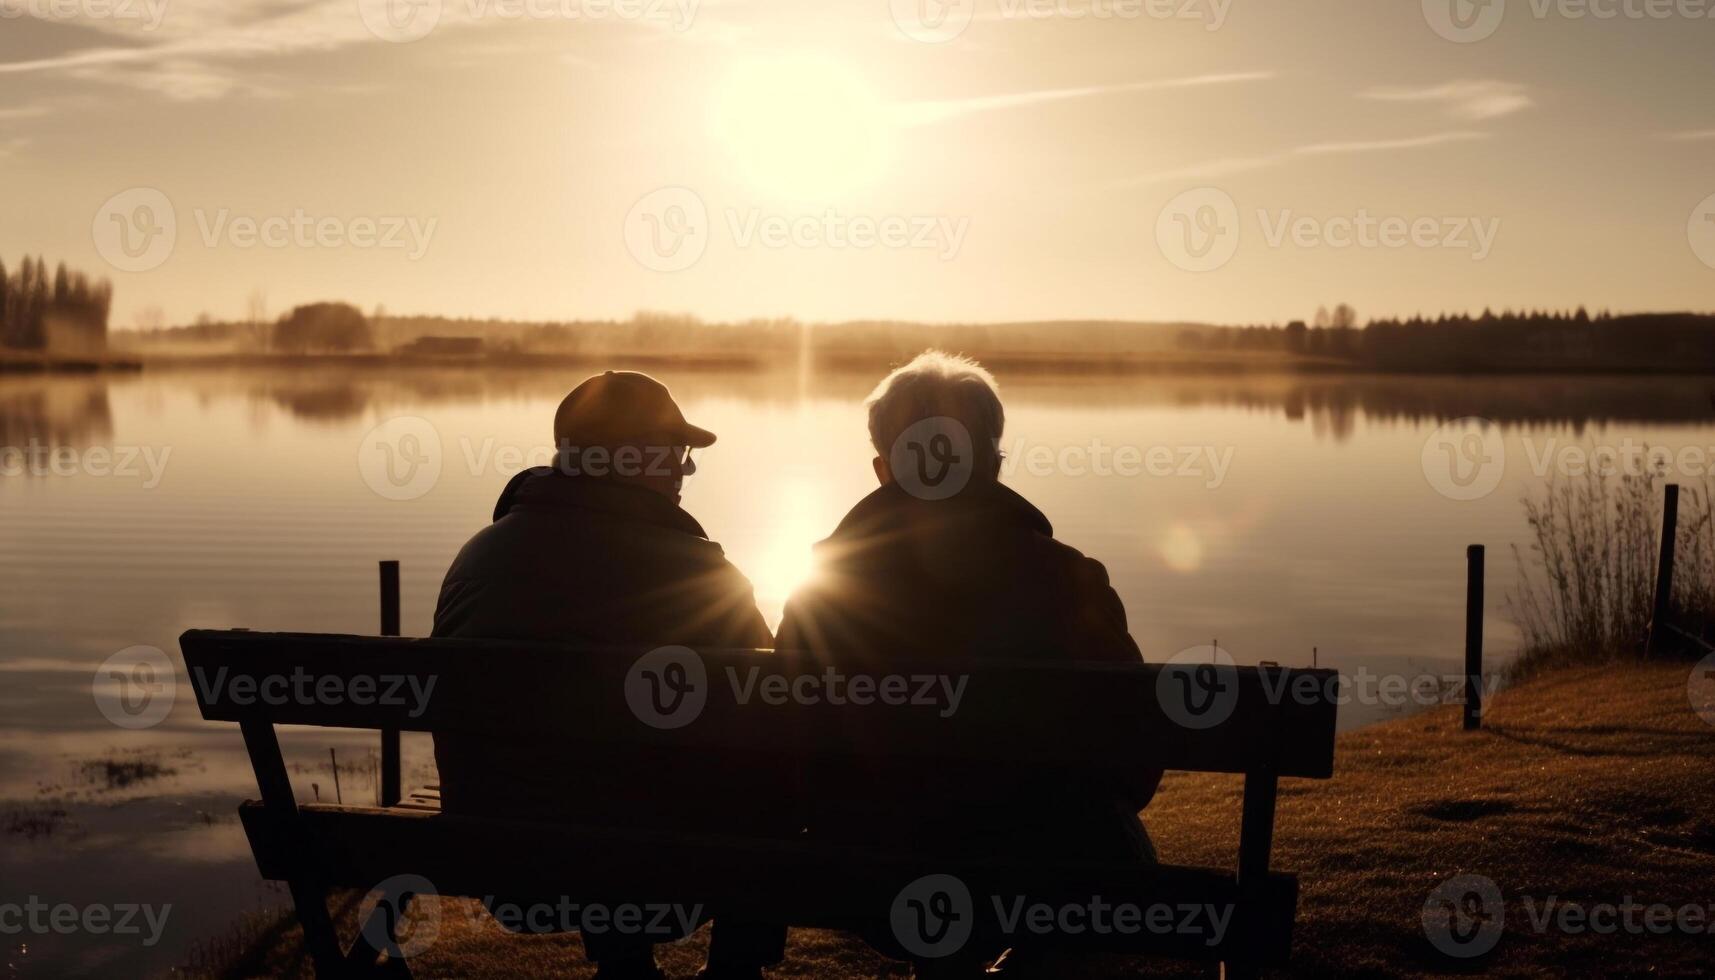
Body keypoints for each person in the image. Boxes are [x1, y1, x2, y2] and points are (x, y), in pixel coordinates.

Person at [775, 351, 1160, 977]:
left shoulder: (822, 588)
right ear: (995, 463)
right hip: (1039, 870)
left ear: (882, 469)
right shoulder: (1067, 578)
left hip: (866, 873)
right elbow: (1135, 749)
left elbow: (782, 735)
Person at [431, 370, 785, 980]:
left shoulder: (481, 555)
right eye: (675, 454)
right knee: (780, 761)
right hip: (663, 867)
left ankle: (624, 964)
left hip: (507, 860)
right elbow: (776, 703)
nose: (685, 472)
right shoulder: (697, 572)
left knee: (592, 771)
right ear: (630, 459)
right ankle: (735, 970)